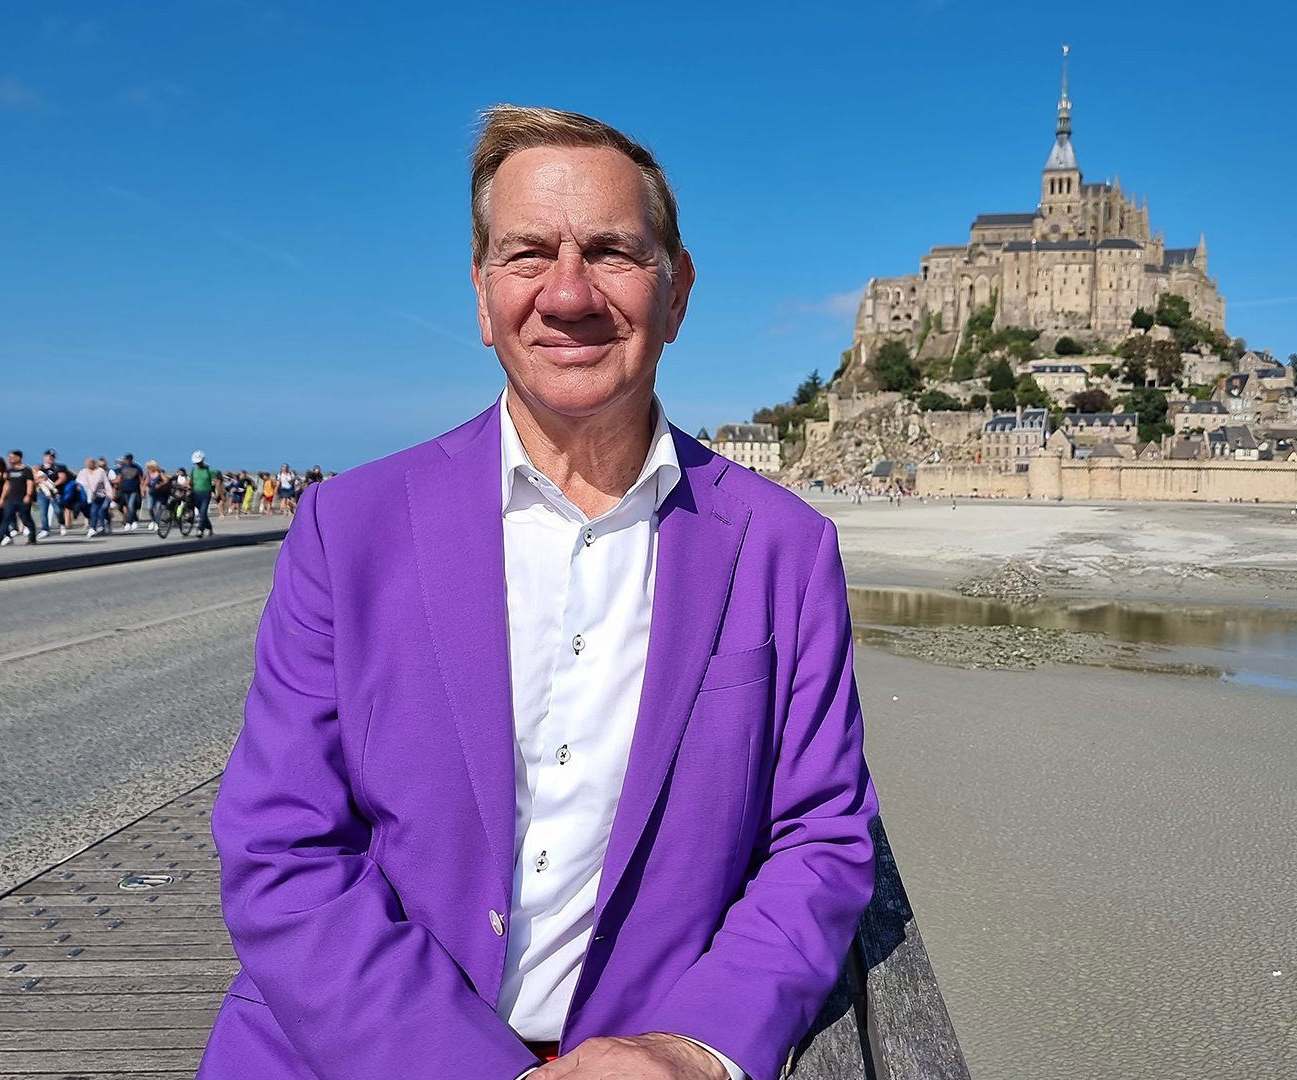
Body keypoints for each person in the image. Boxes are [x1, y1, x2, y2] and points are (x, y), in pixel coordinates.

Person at [202, 106, 877, 1080]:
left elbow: (821, 837)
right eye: (527, 255)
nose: (567, 294)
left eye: (611, 252)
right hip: (347, 1051)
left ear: (678, 292)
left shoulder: (785, 549)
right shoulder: (347, 530)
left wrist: (700, 1045)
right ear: (482, 298)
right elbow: (282, 844)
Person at [0, 449, 37, 545]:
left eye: (12, 457)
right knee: (6, 517)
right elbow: (7, 485)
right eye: (9, 457)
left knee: (25, 518)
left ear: (18, 458)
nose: (9, 459)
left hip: (23, 499)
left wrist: (28, 495)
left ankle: (32, 537)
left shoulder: (26, 470)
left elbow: (30, 484)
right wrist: (2, 498)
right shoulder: (9, 471)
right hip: (10, 499)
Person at [78, 458, 114, 537]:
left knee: (102, 510)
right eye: (87, 463)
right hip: (90, 496)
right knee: (93, 511)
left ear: (94, 463)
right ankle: (94, 527)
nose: (88, 464)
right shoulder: (83, 472)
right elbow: (78, 483)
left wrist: (110, 494)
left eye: (90, 463)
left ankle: (100, 525)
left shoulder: (100, 471)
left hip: (102, 495)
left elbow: (106, 483)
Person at [188, 450, 217, 537]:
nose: (198, 464)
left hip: (206, 493)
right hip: (195, 494)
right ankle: (209, 527)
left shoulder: (209, 470)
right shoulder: (193, 470)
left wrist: (214, 492)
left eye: (199, 462)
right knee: (201, 513)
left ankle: (200, 529)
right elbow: (190, 482)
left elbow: (215, 481)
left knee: (203, 512)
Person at [116, 453, 145, 530]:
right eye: (127, 459)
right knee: (128, 506)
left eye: (129, 459)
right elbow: (119, 478)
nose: (128, 461)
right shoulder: (122, 468)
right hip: (125, 490)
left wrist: (143, 490)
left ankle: (129, 522)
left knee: (131, 505)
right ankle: (134, 520)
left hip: (134, 490)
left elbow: (141, 480)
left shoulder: (137, 468)